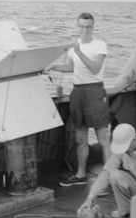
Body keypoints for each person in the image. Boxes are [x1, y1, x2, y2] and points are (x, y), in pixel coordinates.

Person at [45, 12, 111, 187]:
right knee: (81, 138)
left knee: (103, 139)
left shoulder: (100, 45)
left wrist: (79, 51)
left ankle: (108, 178)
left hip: (95, 91)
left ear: (93, 27)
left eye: (88, 26)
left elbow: (95, 68)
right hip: (77, 92)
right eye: (81, 26)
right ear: (77, 26)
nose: (85, 30)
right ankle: (81, 174)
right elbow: (71, 67)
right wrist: (52, 66)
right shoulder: (75, 46)